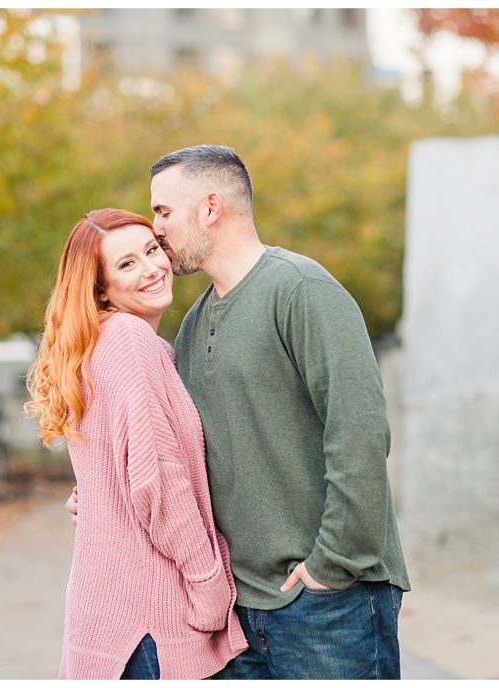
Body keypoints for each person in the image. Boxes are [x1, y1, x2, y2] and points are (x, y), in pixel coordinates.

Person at [69, 145, 410, 679]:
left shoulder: (300, 289)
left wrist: (332, 564)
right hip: (236, 614)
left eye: (163, 212)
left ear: (210, 208)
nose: (156, 230)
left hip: (325, 603)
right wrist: (103, 486)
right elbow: (174, 451)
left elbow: (360, 433)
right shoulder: (190, 324)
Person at [27, 208, 247, 680]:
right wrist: (208, 583)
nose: (151, 268)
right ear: (101, 288)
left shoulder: (102, 343)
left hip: (112, 609)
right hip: (149, 616)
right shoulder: (129, 340)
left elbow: (112, 468)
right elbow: (158, 480)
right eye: (127, 264)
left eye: (152, 250)